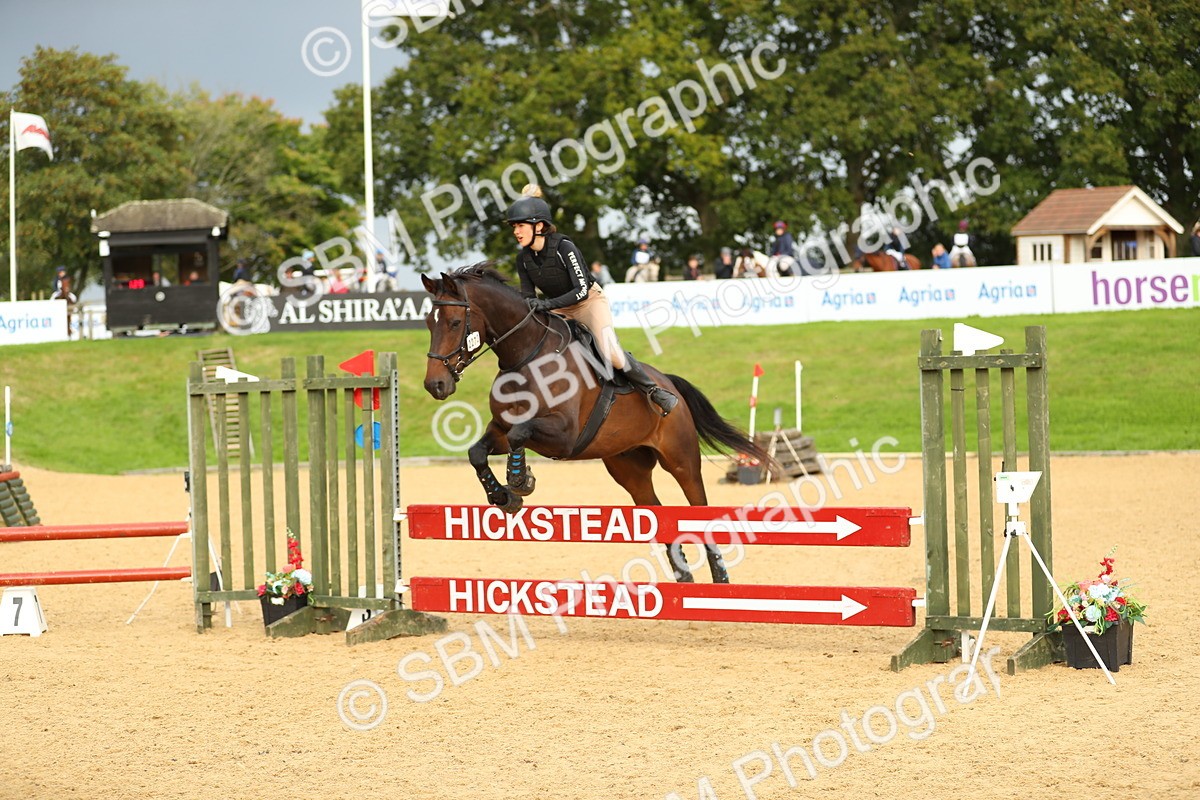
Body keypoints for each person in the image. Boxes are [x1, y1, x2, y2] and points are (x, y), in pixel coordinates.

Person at [506, 185, 677, 415]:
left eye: (521, 225)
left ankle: (653, 390)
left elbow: (581, 291)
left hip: (588, 302)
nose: (516, 231)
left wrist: (546, 305)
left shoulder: (564, 248)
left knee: (610, 351)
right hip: (558, 308)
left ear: (539, 226)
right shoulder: (523, 259)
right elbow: (528, 296)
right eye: (514, 227)